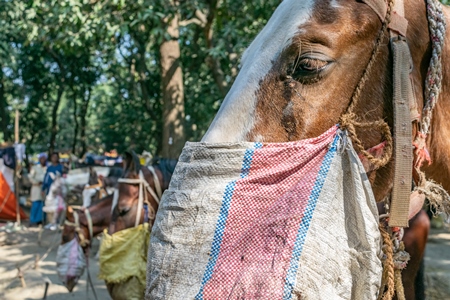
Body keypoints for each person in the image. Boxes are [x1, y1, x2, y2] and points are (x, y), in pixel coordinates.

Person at [42, 152, 64, 230]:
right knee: (49, 206)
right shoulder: (49, 168)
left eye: (55, 157)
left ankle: (56, 223)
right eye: (52, 157)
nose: (54, 158)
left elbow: (64, 178)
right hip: (49, 190)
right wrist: (43, 188)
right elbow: (46, 178)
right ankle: (50, 222)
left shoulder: (61, 167)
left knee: (57, 207)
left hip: (58, 191)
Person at [28, 153, 47, 226]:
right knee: (35, 204)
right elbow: (30, 177)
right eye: (41, 158)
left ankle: (41, 220)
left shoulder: (47, 168)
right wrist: (36, 182)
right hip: (36, 188)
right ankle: (32, 220)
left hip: (44, 188)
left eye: (44, 159)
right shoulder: (35, 167)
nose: (43, 160)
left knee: (43, 205)